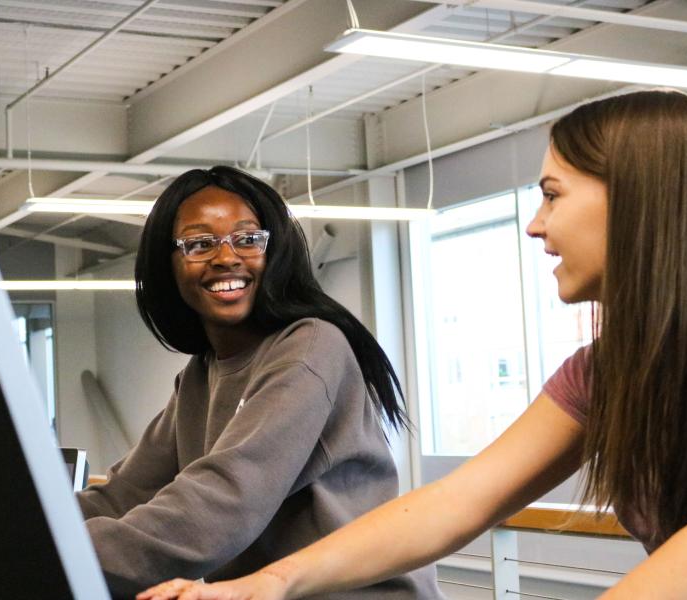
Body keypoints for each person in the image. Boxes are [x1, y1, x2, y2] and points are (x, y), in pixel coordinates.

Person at [136, 89, 687, 600]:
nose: (536, 225)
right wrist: (269, 584)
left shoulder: (309, 346)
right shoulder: (604, 374)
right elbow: (457, 503)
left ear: (637, 199)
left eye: (552, 195)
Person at [76, 166, 443, 599]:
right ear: (167, 265)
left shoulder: (309, 347)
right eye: (199, 244)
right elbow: (126, 493)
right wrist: (25, 527)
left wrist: (60, 551)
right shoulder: (201, 374)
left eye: (248, 239)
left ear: (275, 253)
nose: (227, 257)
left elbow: (223, 504)